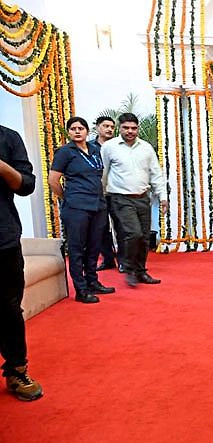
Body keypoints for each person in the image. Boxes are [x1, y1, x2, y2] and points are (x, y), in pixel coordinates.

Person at [49, 117, 116, 304]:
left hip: (98, 205)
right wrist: (66, 198)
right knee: (77, 248)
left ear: (87, 131)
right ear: (69, 132)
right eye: (73, 128)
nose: (77, 131)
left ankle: (92, 281)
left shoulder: (95, 150)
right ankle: (81, 289)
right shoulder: (64, 152)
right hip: (76, 207)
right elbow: (53, 180)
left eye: (81, 128)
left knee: (94, 246)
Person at [0, 124, 43, 401]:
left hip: (2, 238)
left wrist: (2, 168)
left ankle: (16, 370)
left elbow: (27, 185)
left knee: (8, 307)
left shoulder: (8, 137)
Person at [101, 113, 167, 287]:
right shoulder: (109, 147)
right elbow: (103, 173)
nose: (130, 131)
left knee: (144, 237)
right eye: (126, 128)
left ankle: (141, 271)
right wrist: (102, 197)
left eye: (133, 128)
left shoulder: (146, 147)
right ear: (119, 128)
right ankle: (129, 269)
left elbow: (156, 172)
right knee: (133, 233)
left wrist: (163, 197)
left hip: (143, 198)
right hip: (120, 198)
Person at [87, 116, 121, 272]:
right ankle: (108, 259)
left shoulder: (118, 146)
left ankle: (123, 261)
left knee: (121, 226)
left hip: (116, 191)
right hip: (97, 193)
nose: (109, 129)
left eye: (112, 127)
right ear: (97, 127)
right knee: (100, 228)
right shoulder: (89, 147)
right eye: (106, 126)